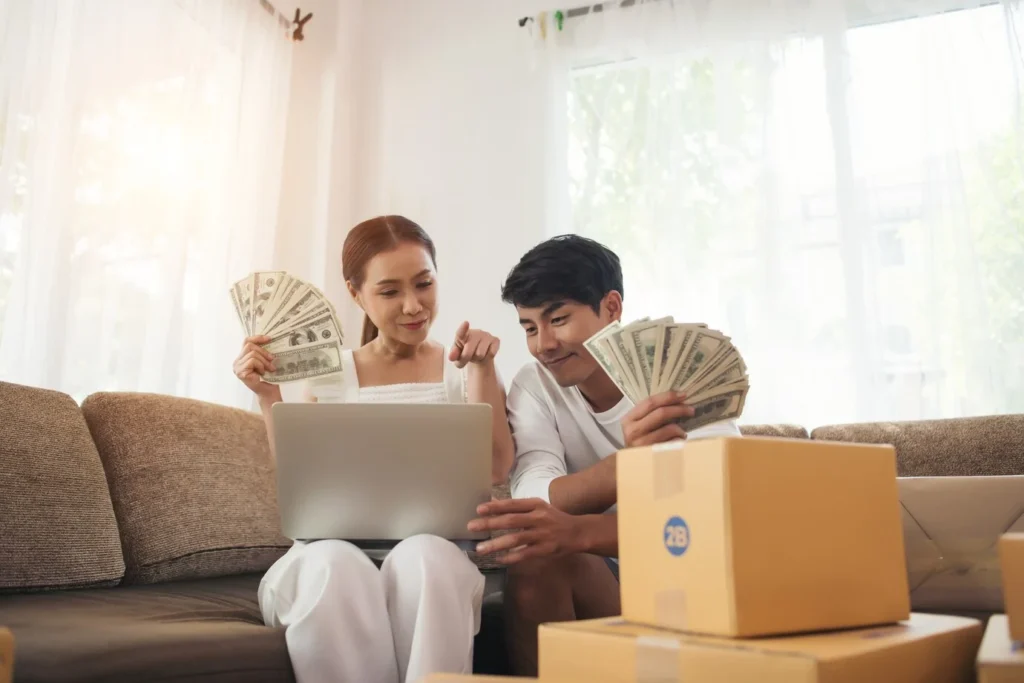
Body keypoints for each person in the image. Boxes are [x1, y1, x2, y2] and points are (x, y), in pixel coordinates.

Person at [232, 215, 515, 683]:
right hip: (328, 556)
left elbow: (496, 466)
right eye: (389, 292)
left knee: (426, 556)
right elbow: (302, 482)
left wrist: (483, 370)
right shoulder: (332, 373)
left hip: (433, 556)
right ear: (355, 293)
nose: (413, 306)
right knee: (336, 563)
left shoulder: (461, 370)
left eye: (424, 284)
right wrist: (268, 396)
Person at [466, 234, 741, 675]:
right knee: (536, 557)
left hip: (694, 575)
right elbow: (536, 493)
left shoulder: (680, 376)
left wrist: (579, 530)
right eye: (530, 327)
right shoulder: (535, 385)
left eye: (558, 319)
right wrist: (626, 466)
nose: (543, 345)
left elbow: (715, 519)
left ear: (611, 308)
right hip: (607, 576)